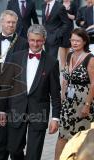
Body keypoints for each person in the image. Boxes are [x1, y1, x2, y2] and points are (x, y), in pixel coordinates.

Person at [0, 24, 61, 160]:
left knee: (33, 155)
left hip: (39, 112)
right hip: (16, 109)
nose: (35, 44)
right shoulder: (15, 57)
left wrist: (55, 118)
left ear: (44, 40)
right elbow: (6, 86)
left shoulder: (52, 62)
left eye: (38, 41)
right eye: (32, 40)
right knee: (13, 149)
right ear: (28, 39)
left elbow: (55, 94)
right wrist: (1, 110)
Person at [0, 10, 28, 160]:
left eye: (13, 22)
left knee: (5, 133)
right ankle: (14, 152)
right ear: (1, 22)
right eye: (8, 22)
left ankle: (7, 151)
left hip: (11, 94)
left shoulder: (23, 43)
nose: (10, 25)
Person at [55, 28, 94, 160]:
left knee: (81, 138)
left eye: (78, 40)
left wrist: (87, 105)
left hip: (83, 104)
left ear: (84, 42)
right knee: (62, 135)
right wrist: (62, 96)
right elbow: (66, 78)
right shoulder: (70, 55)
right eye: (72, 40)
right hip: (68, 103)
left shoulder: (90, 58)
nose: (74, 43)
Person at [59, 0, 77, 70]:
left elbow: (75, 17)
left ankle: (67, 64)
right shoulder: (59, 4)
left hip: (69, 27)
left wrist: (67, 15)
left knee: (68, 45)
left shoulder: (73, 4)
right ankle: (63, 65)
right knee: (62, 46)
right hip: (60, 27)